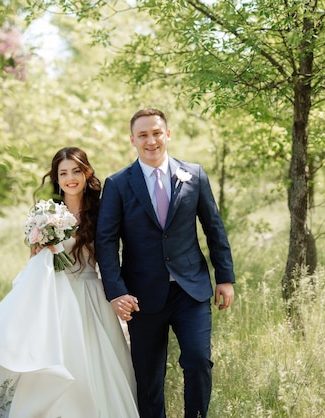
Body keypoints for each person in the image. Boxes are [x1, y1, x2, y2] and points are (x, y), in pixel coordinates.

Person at [0, 147, 139, 418]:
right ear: (56, 178)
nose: (70, 178)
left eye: (76, 171)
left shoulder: (101, 210)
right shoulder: (46, 212)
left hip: (90, 293)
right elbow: (34, 261)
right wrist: (43, 245)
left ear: (86, 173)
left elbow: (110, 255)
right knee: (54, 362)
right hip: (55, 297)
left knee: (98, 367)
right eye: (63, 173)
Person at [95, 108, 236, 418]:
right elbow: (106, 241)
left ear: (167, 134)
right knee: (148, 378)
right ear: (132, 140)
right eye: (143, 135)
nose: (151, 140)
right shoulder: (118, 184)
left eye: (156, 133)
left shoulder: (194, 175)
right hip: (141, 295)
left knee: (198, 360)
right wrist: (116, 291)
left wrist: (225, 277)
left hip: (191, 289)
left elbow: (214, 228)